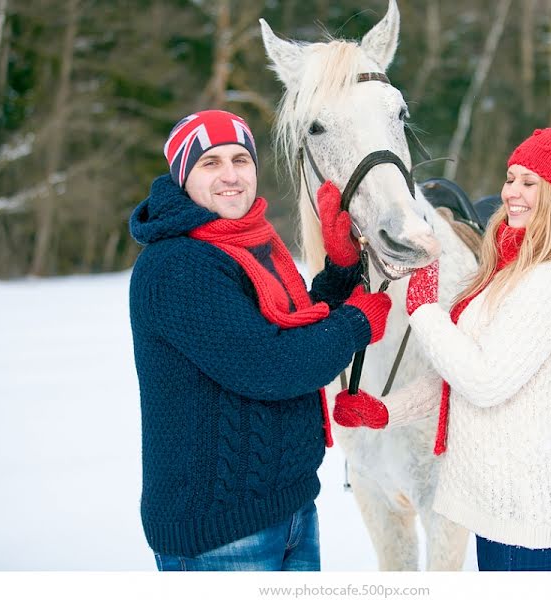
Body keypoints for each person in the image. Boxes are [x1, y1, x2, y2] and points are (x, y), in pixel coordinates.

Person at [128, 109, 392, 571]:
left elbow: (287, 327)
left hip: (286, 506)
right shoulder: (179, 264)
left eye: (240, 159)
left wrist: (342, 268)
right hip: (220, 530)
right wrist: (354, 325)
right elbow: (271, 365)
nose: (230, 175)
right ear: (182, 175)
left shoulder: (247, 240)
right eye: (210, 163)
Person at [335, 120, 551, 571]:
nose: (512, 191)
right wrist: (387, 411)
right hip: (497, 506)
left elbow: (485, 381)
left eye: (530, 182)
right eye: (511, 178)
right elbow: (460, 372)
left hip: (526, 510)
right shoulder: (509, 268)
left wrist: (423, 312)